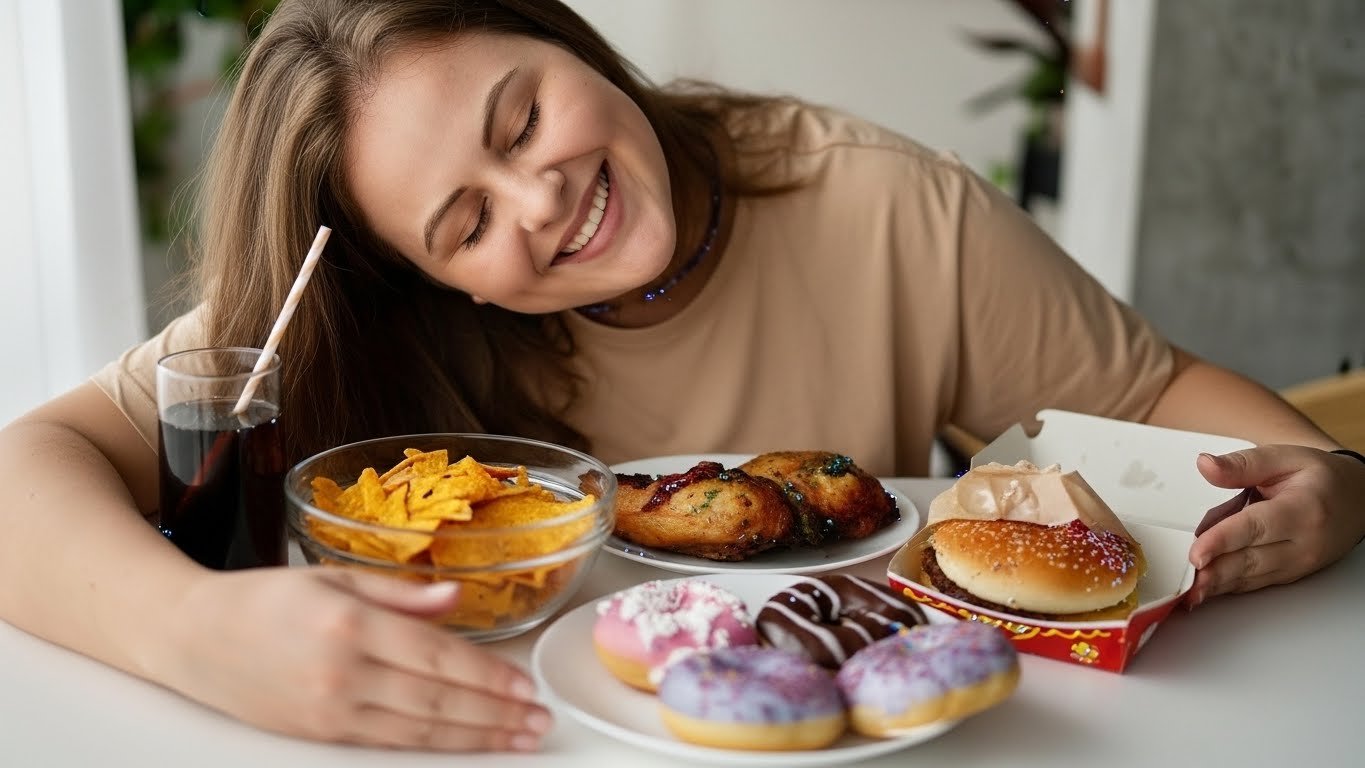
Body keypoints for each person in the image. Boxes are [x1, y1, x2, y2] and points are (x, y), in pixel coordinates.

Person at [1, 0, 1361, 754]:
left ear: (567, 38)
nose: (537, 200)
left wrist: (1339, 482)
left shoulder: (885, 210)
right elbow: (21, 480)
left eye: (522, 116)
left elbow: (1167, 393)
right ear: (425, 281)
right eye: (463, 224)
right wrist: (192, 636)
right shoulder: (339, 324)